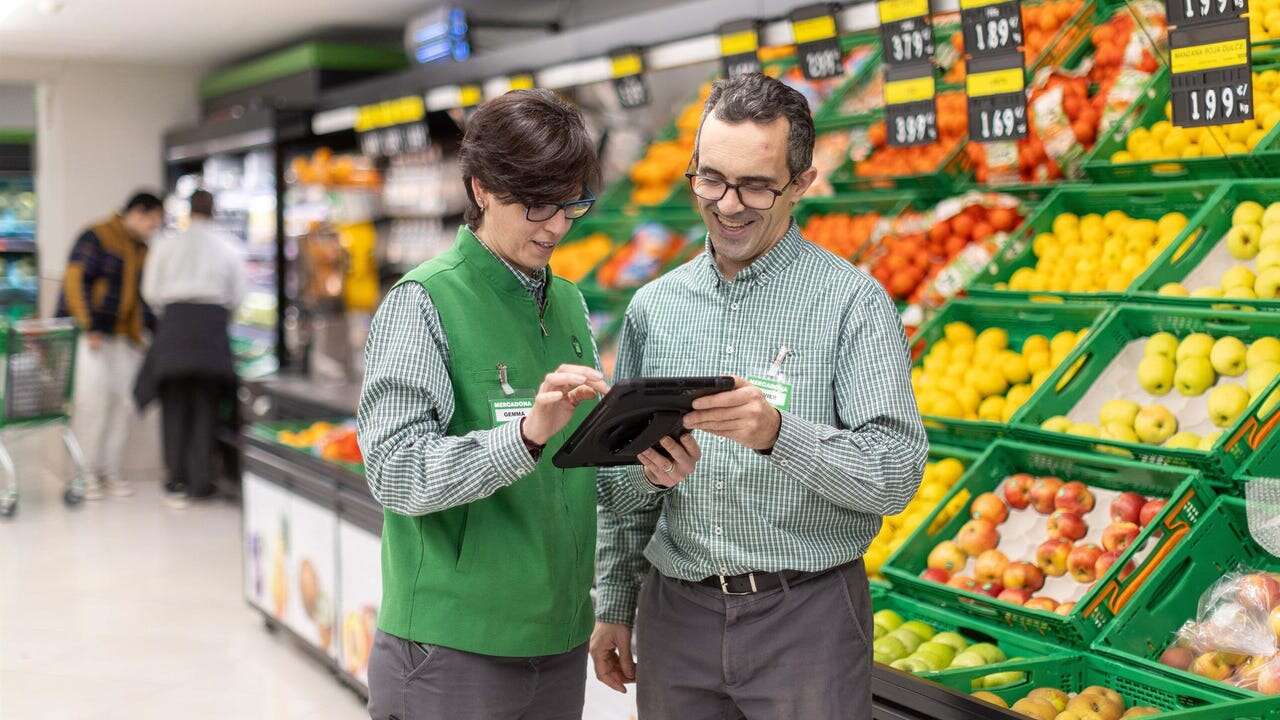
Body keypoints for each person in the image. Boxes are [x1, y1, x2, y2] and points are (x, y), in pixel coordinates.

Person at [590, 73, 928, 720]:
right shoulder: (654, 310)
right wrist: (615, 600)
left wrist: (778, 434)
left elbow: (894, 474)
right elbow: (616, 487)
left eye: (756, 185)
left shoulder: (852, 305)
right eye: (711, 179)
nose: (728, 204)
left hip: (806, 619)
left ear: (801, 183)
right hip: (675, 615)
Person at [358, 89, 612, 720]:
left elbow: (578, 469)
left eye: (572, 205)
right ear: (481, 190)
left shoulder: (572, 306)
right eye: (536, 205)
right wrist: (524, 436)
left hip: (558, 638)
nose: (556, 226)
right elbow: (393, 471)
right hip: (452, 649)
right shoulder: (424, 303)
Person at [136, 189, 246, 508]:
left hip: (174, 325)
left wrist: (171, 316)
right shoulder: (228, 246)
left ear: (189, 210)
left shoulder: (167, 244)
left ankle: (176, 480)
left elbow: (151, 291)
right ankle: (202, 482)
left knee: (174, 406)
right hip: (212, 328)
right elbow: (238, 294)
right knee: (206, 407)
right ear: (214, 211)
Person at [58, 191, 164, 500]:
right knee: (92, 405)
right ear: (139, 213)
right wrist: (88, 324)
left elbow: (142, 297)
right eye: (153, 222)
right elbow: (75, 281)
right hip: (92, 336)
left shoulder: (142, 249)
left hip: (124, 339)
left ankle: (109, 471)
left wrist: (150, 332)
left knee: (122, 405)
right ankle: (84, 474)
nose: (153, 229)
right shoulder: (97, 236)